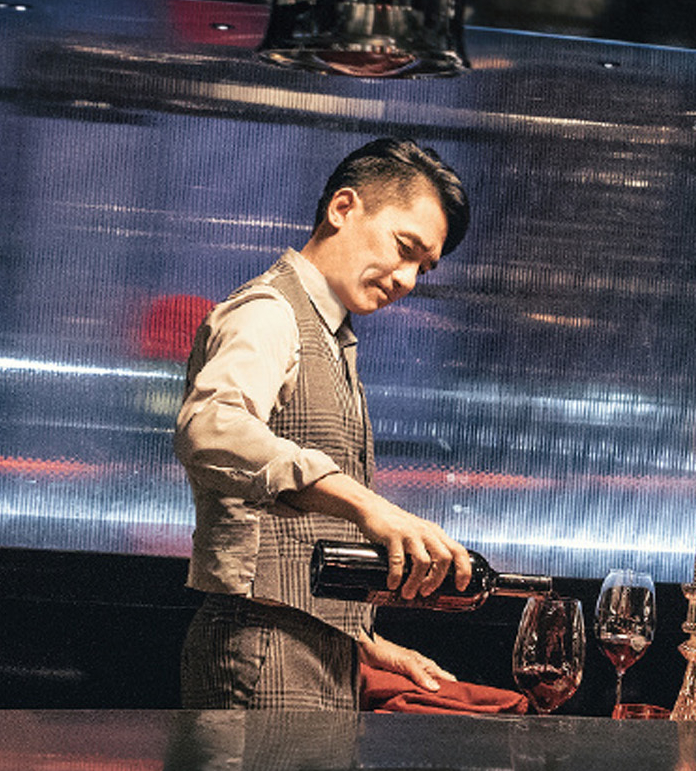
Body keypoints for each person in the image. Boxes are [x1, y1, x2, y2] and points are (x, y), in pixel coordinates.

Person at [174, 137, 476, 710]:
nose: (408, 279)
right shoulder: (269, 312)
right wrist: (367, 506)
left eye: (423, 267)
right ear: (343, 208)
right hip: (263, 646)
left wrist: (364, 640)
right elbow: (210, 427)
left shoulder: (332, 334)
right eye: (404, 248)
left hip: (311, 651)